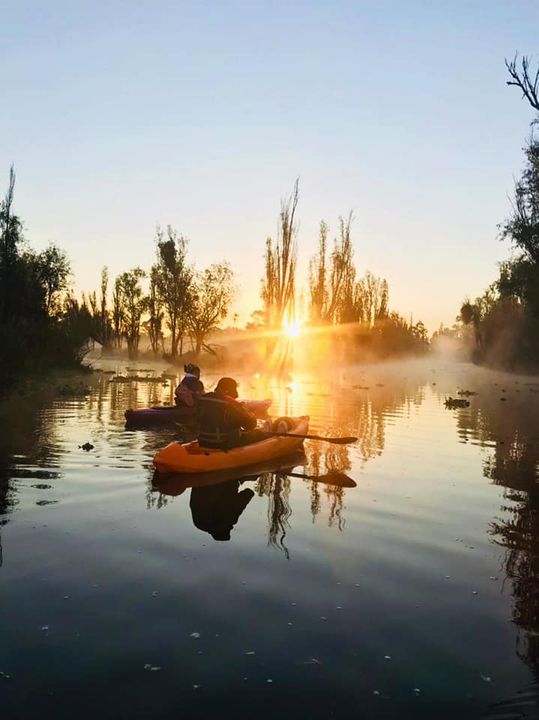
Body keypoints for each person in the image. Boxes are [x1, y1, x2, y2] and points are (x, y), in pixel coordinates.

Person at [198, 377, 268, 450]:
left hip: (203, 441)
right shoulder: (230, 404)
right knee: (258, 433)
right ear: (227, 391)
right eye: (234, 389)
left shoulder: (203, 399)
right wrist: (246, 412)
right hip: (224, 443)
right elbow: (250, 425)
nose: (236, 394)